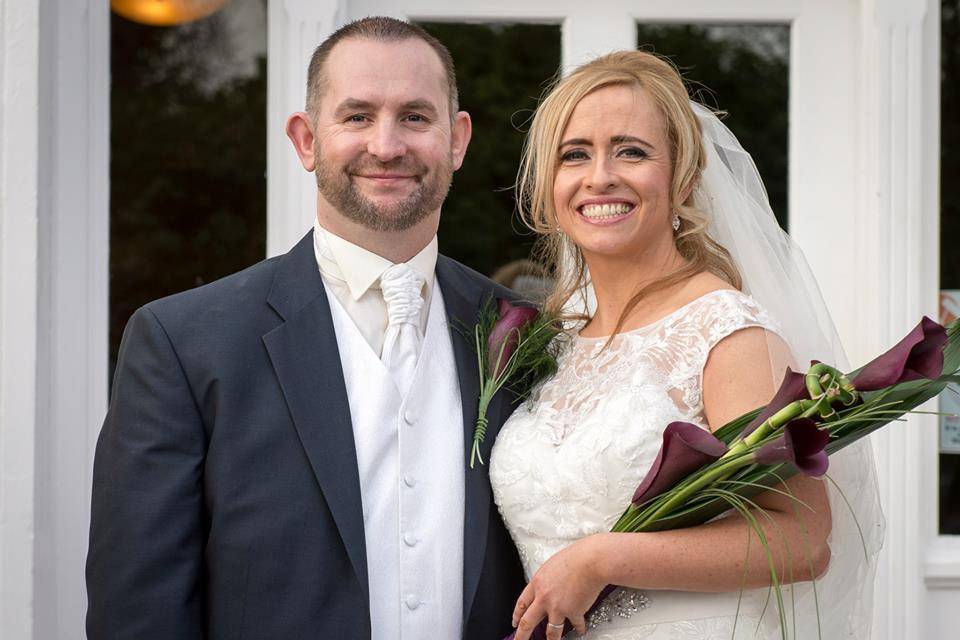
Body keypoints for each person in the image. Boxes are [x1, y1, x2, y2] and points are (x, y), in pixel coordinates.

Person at [86, 17, 525, 640]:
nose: (387, 144)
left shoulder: (521, 332)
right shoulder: (181, 342)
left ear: (457, 140)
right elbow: (138, 612)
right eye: (356, 116)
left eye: (416, 117)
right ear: (306, 139)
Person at [489, 50, 883, 640]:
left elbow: (803, 540)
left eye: (632, 151)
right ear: (548, 186)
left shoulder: (726, 332)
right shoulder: (556, 337)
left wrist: (601, 559)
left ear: (682, 177)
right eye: (576, 154)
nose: (601, 176)